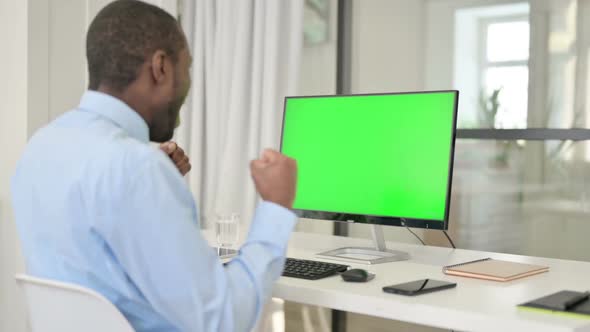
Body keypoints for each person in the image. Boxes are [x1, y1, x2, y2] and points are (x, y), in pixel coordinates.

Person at [10, 1, 298, 331]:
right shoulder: (136, 169)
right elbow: (223, 320)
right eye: (187, 68)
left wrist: (156, 186)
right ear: (160, 67)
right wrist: (275, 207)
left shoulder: (40, 147)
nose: (188, 86)